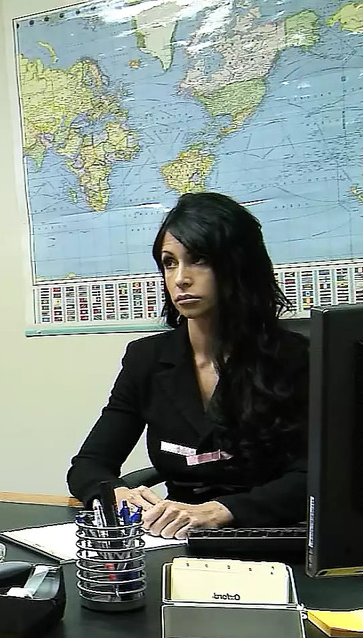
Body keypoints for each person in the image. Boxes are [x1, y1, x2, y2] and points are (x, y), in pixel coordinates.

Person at [66, 192, 309, 539]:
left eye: (199, 260)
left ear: (239, 265)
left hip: (268, 533)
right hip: (175, 538)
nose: (180, 278)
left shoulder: (297, 357)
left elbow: (314, 476)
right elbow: (88, 465)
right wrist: (117, 494)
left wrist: (221, 511)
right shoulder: (146, 358)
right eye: (170, 263)